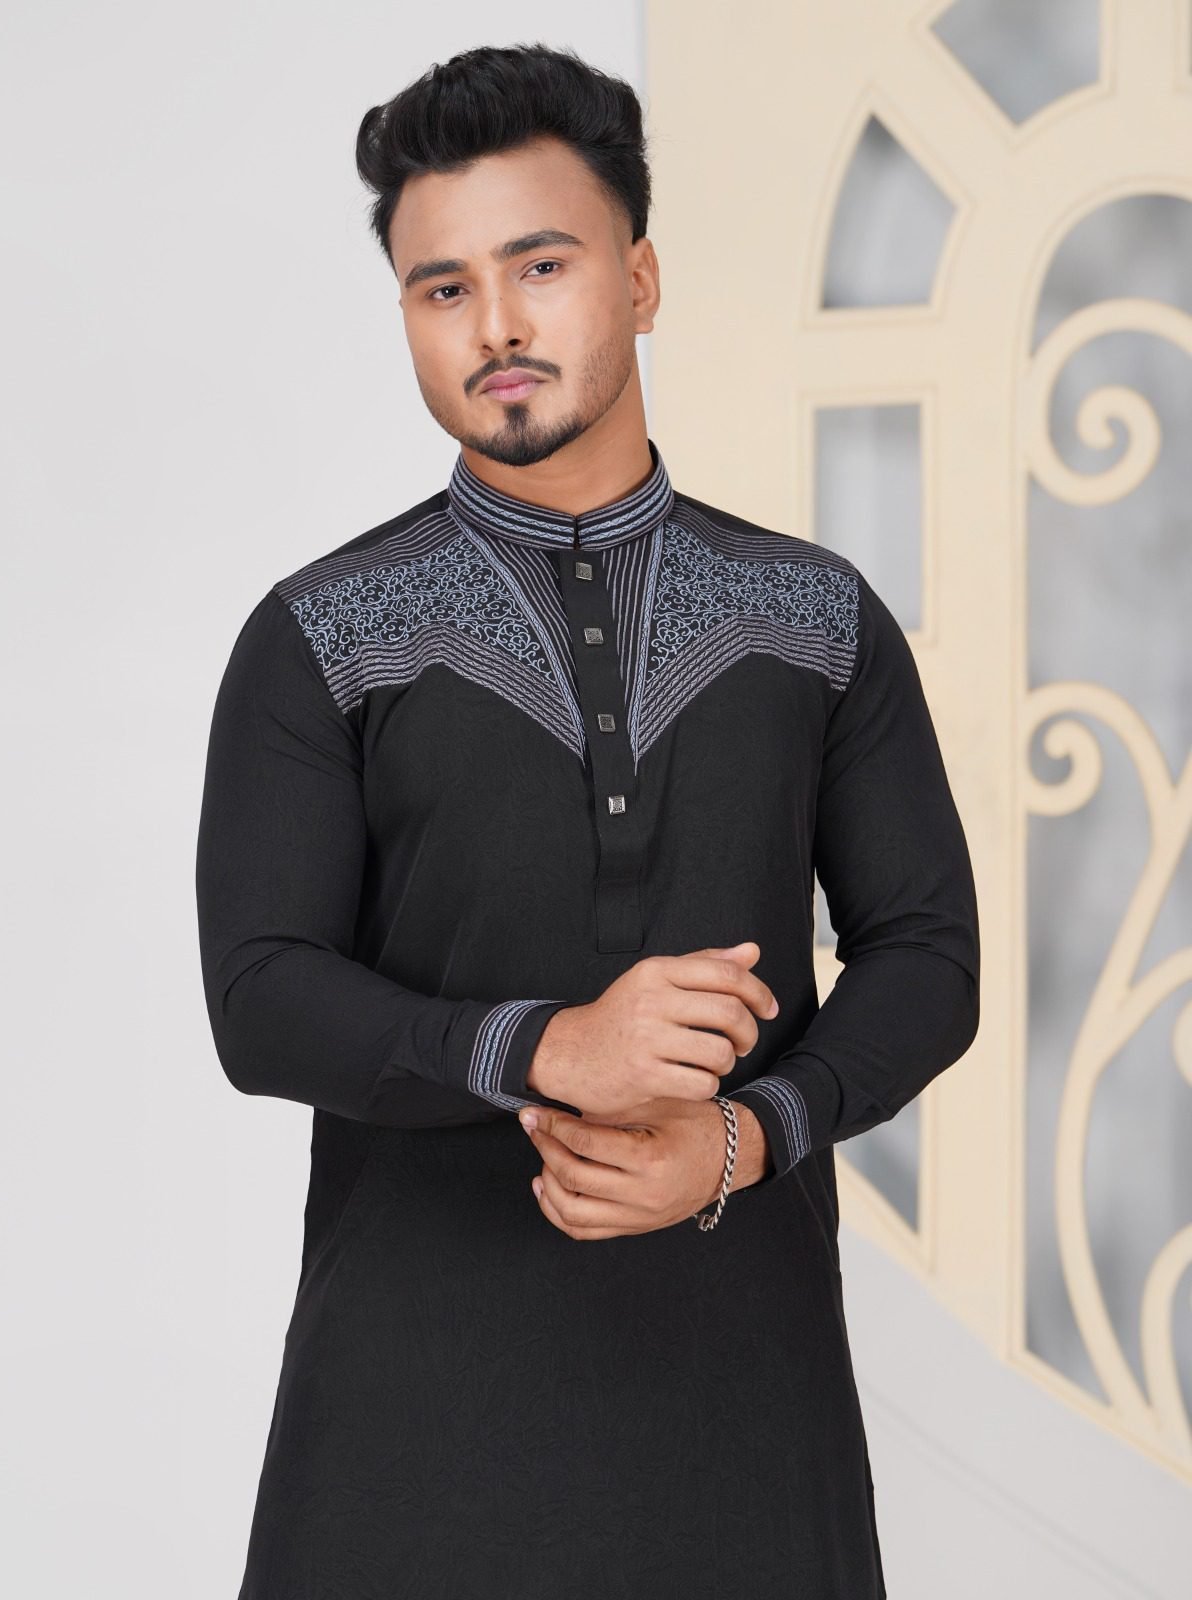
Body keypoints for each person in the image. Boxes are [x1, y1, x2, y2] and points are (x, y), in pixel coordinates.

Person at [195, 40, 979, 1600]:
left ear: (640, 279)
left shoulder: (814, 620)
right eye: (442, 287)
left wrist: (747, 1137)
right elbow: (262, 998)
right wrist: (549, 1047)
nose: (494, 324)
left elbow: (929, 956)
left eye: (539, 265)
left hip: (744, 1435)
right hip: (405, 1448)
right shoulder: (324, 636)